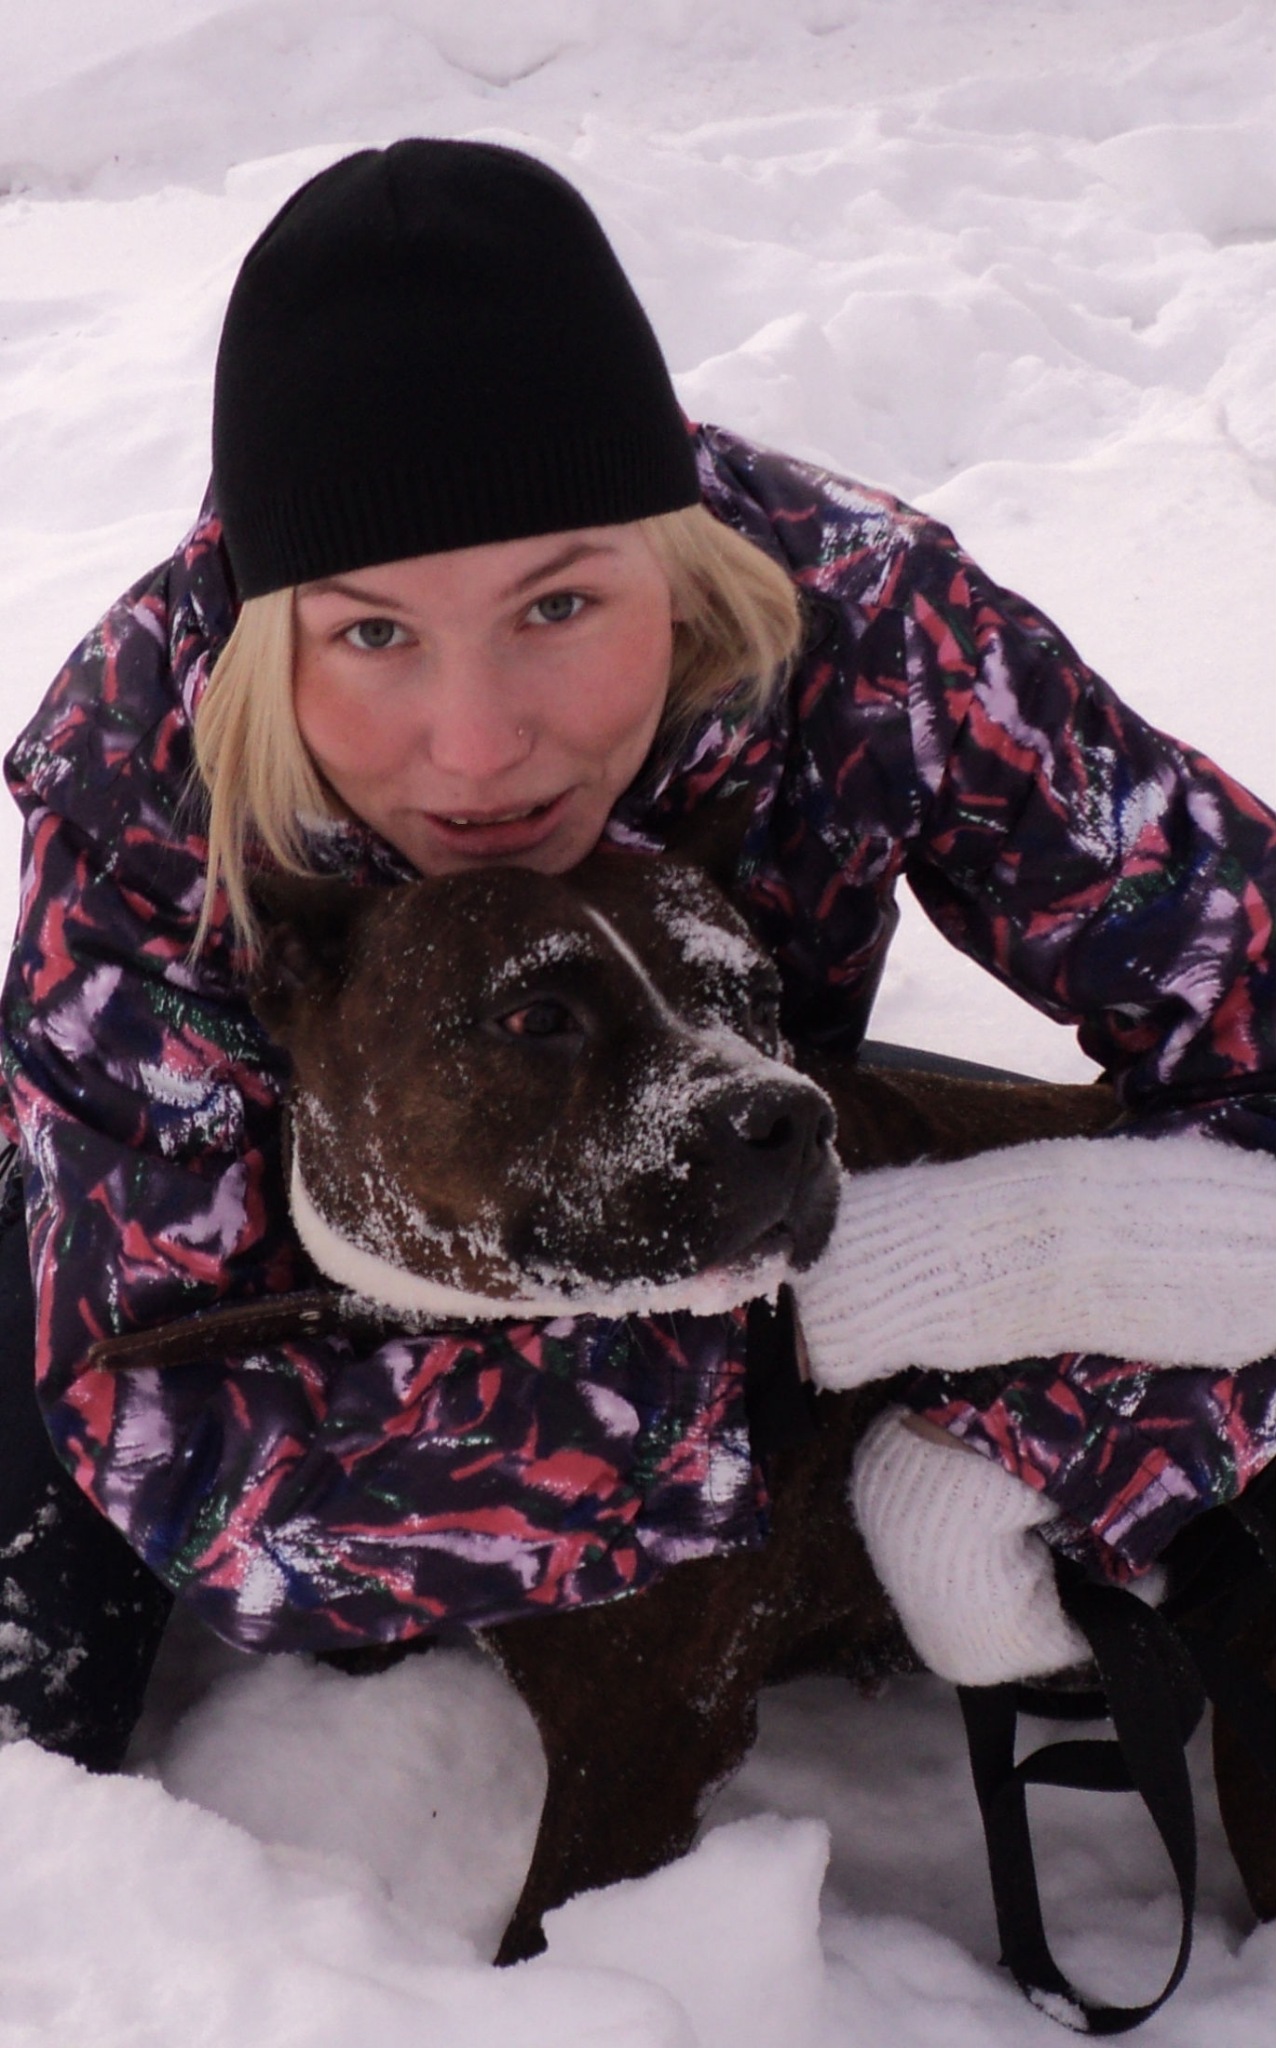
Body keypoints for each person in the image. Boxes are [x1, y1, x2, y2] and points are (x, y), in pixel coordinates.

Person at [1, 138, 1274, 1773]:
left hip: (670, 1157)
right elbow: (189, 1468)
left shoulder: (870, 627)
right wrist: (837, 1326)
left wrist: (1031, 1440)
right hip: (255, 1264)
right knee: (34, 1760)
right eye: (373, 632)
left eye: (559, 608)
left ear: (674, 563)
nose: (477, 747)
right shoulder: (145, 780)